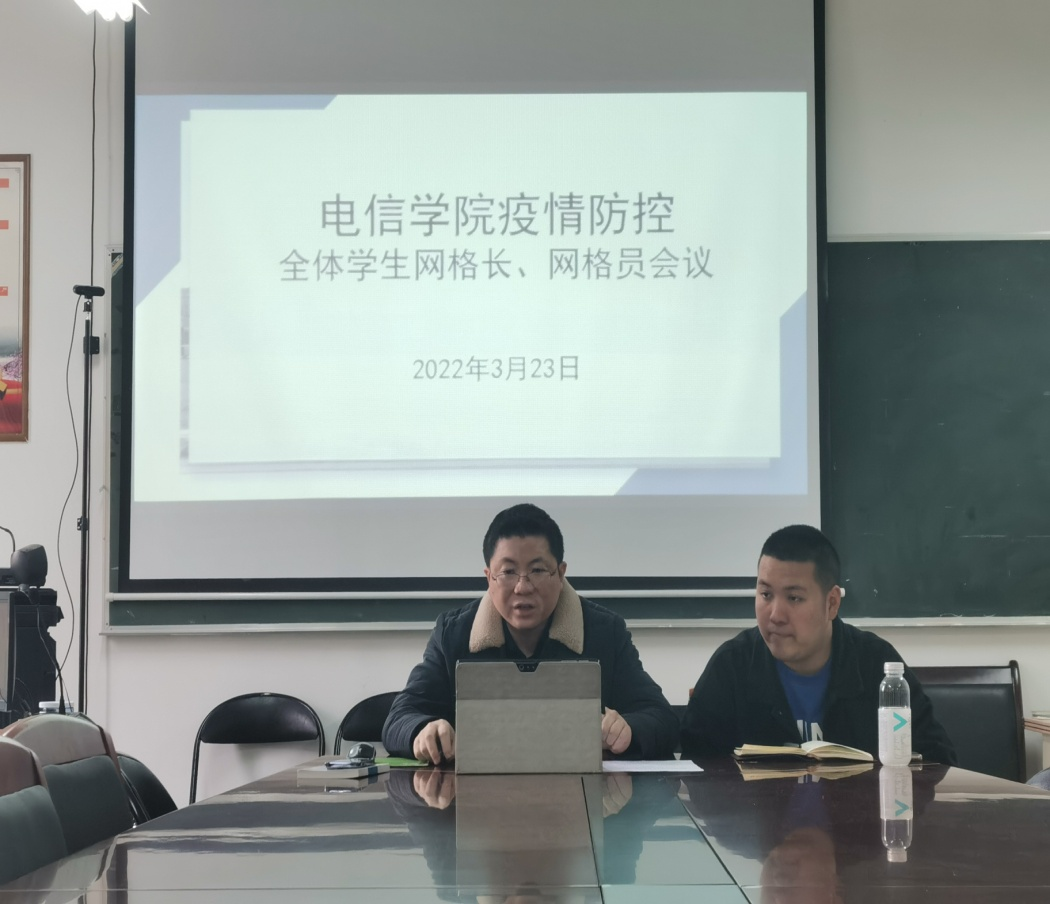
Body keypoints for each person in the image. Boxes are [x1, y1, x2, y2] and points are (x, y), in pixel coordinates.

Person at [382, 503, 679, 763]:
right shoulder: (454, 633)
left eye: (537, 571)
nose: (522, 587)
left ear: (561, 574)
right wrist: (422, 731)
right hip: (477, 799)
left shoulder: (605, 632)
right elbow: (399, 718)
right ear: (489, 577)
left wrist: (628, 730)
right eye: (508, 572)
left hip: (582, 798)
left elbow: (662, 719)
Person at [680, 524, 956, 764]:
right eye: (765, 594)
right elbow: (698, 772)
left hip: (857, 811)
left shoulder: (876, 666)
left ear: (832, 603)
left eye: (794, 598)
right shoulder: (731, 666)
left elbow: (937, 761)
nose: (775, 615)